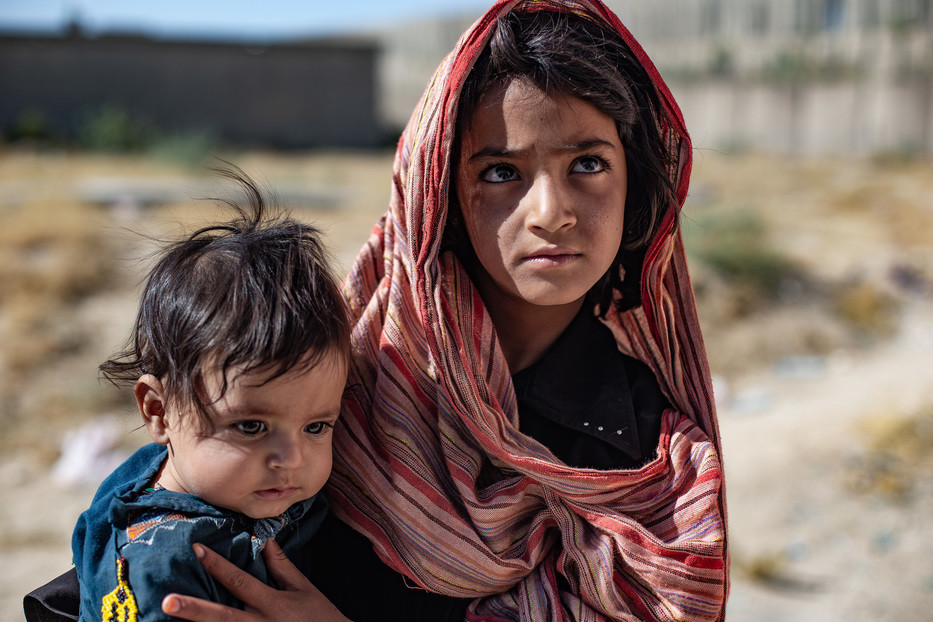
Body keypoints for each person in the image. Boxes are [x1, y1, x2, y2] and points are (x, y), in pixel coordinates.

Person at [25, 1, 728, 620]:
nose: (549, 213)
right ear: (436, 191)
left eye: (587, 163)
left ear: (636, 179)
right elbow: (155, 530)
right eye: (499, 172)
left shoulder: (642, 454)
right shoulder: (344, 363)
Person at [69, 169, 351, 621]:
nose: (292, 458)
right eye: (251, 426)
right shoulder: (166, 571)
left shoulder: (186, 474)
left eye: (316, 426)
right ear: (158, 411)